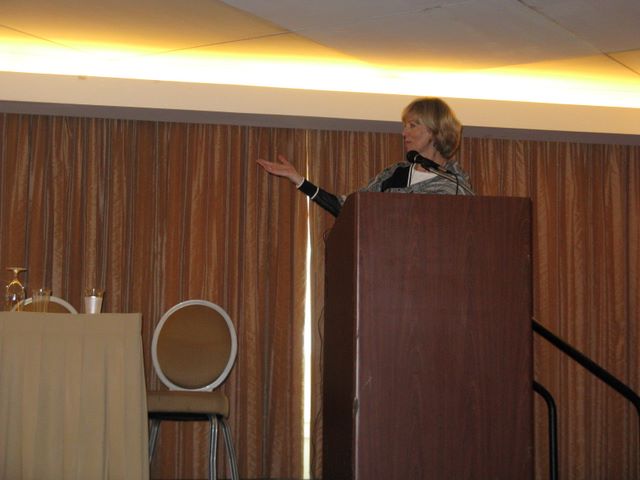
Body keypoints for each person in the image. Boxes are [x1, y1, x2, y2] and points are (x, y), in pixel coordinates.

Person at [256, 97, 474, 217]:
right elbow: (349, 208)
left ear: (434, 130)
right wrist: (299, 180)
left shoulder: (454, 184)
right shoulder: (394, 174)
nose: (404, 133)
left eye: (412, 125)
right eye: (404, 126)